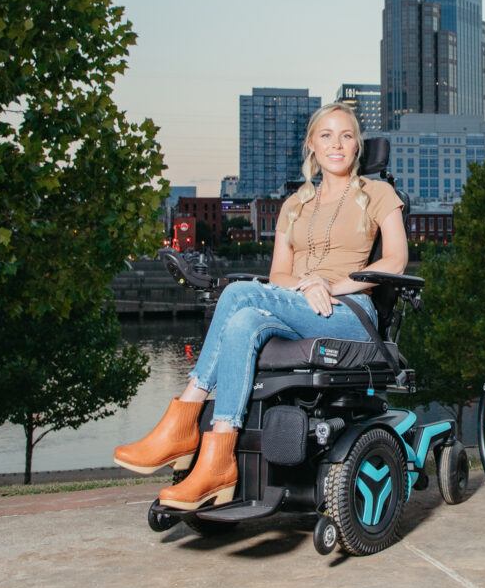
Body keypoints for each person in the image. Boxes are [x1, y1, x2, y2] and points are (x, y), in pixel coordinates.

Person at [114, 102, 407, 510]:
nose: (336, 144)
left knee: (237, 293)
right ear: (311, 145)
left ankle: (182, 421)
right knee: (244, 320)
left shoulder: (378, 193)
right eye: (326, 135)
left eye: (346, 135)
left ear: (358, 145)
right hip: (300, 306)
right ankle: (218, 461)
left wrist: (331, 285)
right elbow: (279, 276)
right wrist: (306, 287)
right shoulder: (294, 205)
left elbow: (394, 260)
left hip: (351, 314)